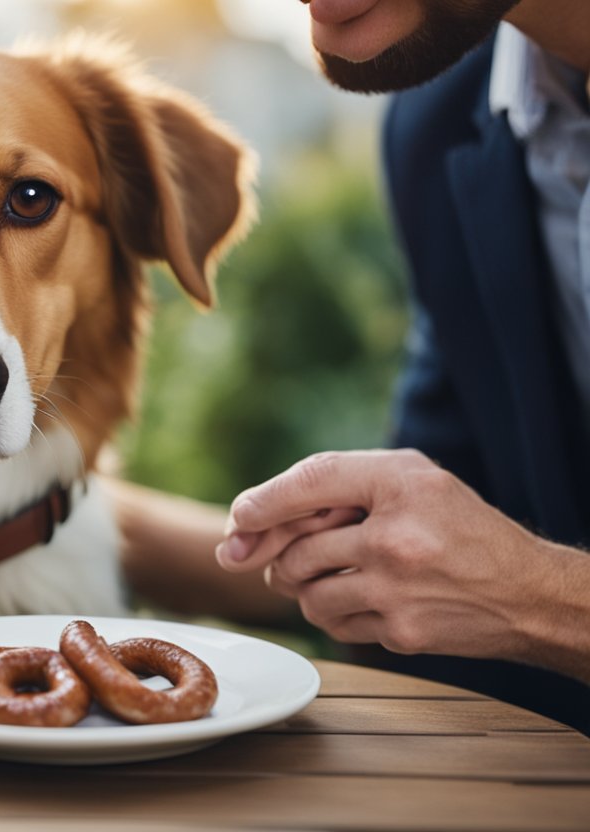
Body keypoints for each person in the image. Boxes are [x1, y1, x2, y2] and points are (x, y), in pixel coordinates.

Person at [115, 0, 590, 733]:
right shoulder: (437, 124)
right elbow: (434, 573)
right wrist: (57, 521)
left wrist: (539, 599)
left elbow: (504, 585)